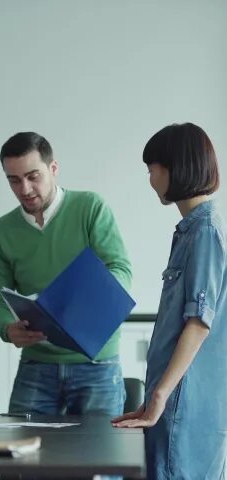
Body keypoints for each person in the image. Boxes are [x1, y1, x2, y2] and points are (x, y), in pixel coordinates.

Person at [0, 131, 132, 416]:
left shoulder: (90, 207)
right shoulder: (3, 230)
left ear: (53, 169)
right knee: (23, 454)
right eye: (14, 180)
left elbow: (120, 269)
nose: (24, 188)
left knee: (100, 456)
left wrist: (85, 300)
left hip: (96, 363)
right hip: (36, 365)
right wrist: (7, 328)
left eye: (33, 176)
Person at [113, 123, 226, 479]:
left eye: (152, 169)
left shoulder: (205, 231)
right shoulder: (190, 230)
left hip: (184, 408)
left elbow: (198, 323)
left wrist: (160, 396)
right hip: (173, 404)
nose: (150, 180)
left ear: (175, 168)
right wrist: (154, 398)